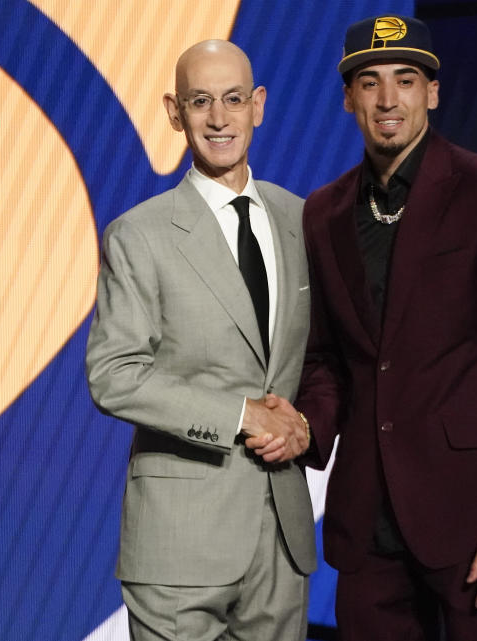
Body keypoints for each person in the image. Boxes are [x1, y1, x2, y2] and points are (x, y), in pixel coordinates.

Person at [279, 14, 477, 640]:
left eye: (406, 81)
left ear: (432, 92)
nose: (388, 100)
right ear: (348, 97)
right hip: (367, 528)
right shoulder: (324, 211)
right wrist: (305, 425)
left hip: (473, 522)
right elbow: (326, 358)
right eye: (370, 82)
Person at [85, 40, 315, 641]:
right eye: (200, 101)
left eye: (233, 99)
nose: (219, 118)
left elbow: (322, 359)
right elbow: (114, 374)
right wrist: (241, 415)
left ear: (258, 106)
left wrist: (305, 425)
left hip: (281, 542)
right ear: (173, 111)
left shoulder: (302, 220)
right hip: (179, 544)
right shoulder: (140, 235)